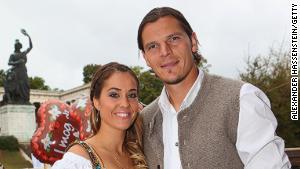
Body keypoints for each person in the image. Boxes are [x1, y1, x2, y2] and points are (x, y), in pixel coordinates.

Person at [138, 7, 291, 169]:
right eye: (153, 46)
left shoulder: (240, 100)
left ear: (193, 41)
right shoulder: (144, 120)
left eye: (174, 38)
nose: (165, 51)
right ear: (146, 58)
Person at [52, 62, 147, 169]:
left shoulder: (140, 152)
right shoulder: (78, 161)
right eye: (114, 95)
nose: (125, 103)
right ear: (96, 101)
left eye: (132, 95)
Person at [5, 29, 32, 104]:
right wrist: (18, 62)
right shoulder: (12, 55)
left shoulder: (23, 53)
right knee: (17, 86)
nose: (17, 46)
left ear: (20, 46)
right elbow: (9, 63)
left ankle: (25, 100)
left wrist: (28, 36)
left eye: (19, 45)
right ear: (15, 46)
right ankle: (16, 99)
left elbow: (30, 47)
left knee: (26, 85)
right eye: (16, 45)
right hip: (16, 72)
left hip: (23, 71)